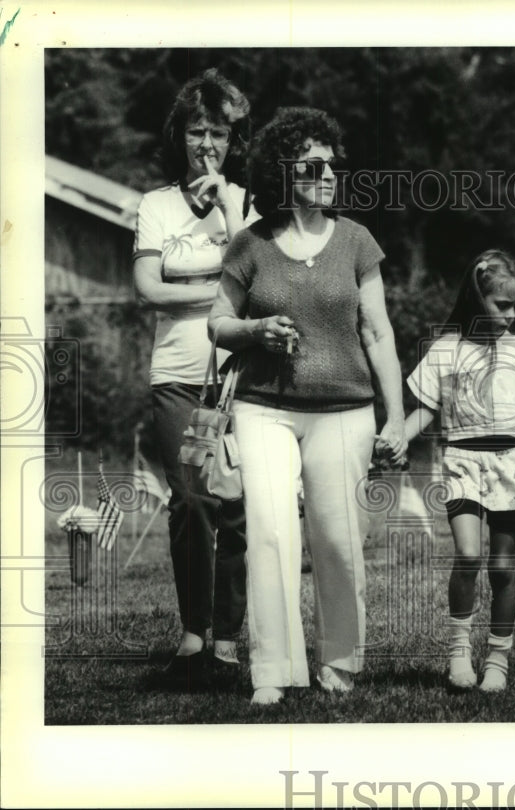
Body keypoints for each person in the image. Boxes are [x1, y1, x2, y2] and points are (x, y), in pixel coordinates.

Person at [208, 107, 406, 705]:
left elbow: (378, 333)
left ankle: (341, 661)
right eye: (314, 164)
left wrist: (394, 416)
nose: (328, 174)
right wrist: (256, 330)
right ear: (282, 171)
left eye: (333, 164)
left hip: (345, 409)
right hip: (263, 408)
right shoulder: (251, 245)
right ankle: (272, 670)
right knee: (269, 530)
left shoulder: (356, 241)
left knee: (338, 537)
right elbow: (217, 324)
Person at [132, 68, 254, 687]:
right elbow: (149, 288)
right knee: (192, 499)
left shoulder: (246, 203)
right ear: (180, 134)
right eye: (197, 132)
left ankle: (227, 642)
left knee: (236, 507)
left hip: (237, 379)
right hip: (177, 376)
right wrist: (219, 293)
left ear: (234, 142)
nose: (207, 145)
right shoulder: (155, 205)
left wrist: (230, 208)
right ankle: (191, 636)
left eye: (220, 135)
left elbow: (258, 281)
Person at [403, 250, 515, 692]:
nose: (511, 315)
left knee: (504, 566)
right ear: (477, 299)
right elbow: (426, 410)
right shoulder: (446, 350)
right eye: (502, 305)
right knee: (469, 556)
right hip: (462, 462)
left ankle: (497, 658)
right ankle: (458, 653)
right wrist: (396, 435)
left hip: (511, 465)